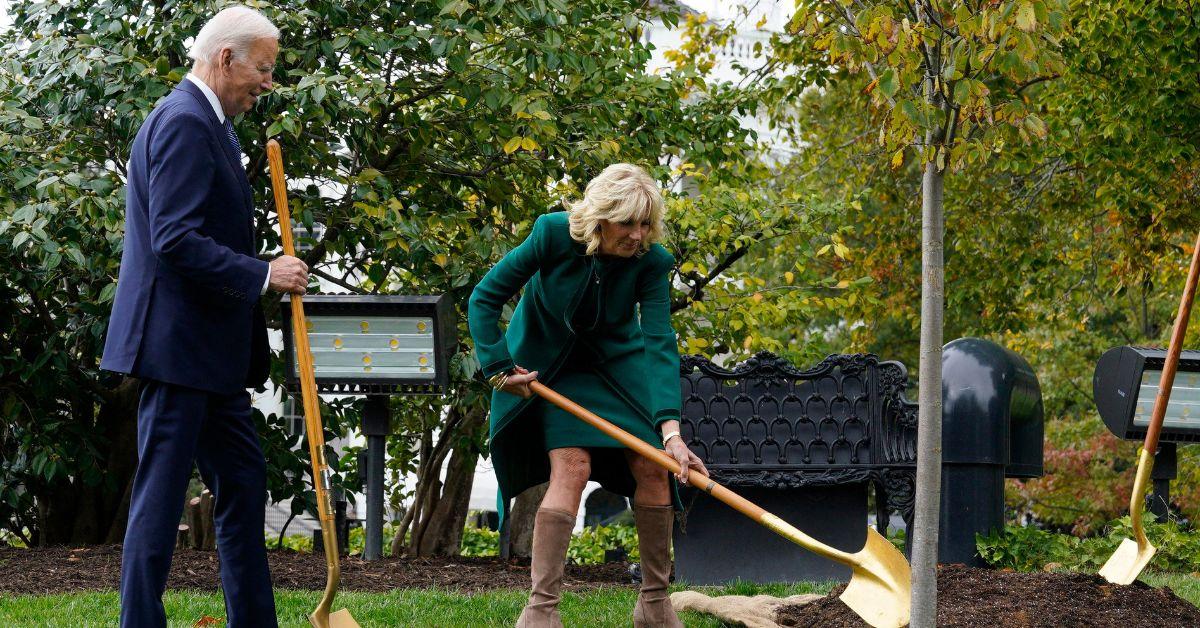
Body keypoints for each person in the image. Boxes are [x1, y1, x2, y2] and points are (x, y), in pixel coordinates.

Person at [100, 6, 307, 627]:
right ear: (226, 59)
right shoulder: (185, 122)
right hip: (177, 349)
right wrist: (263, 273)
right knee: (159, 502)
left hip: (211, 357)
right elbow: (174, 240)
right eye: (263, 68)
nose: (267, 82)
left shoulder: (210, 124)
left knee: (243, 488)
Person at [468, 163, 708, 628]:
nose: (638, 235)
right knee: (572, 467)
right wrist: (499, 368)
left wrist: (672, 432)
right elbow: (485, 297)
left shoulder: (651, 262)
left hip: (617, 373)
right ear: (600, 217)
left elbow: (659, 342)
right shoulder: (552, 235)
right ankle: (541, 611)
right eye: (628, 223)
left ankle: (654, 604)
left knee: (655, 468)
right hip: (551, 372)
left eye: (646, 224)